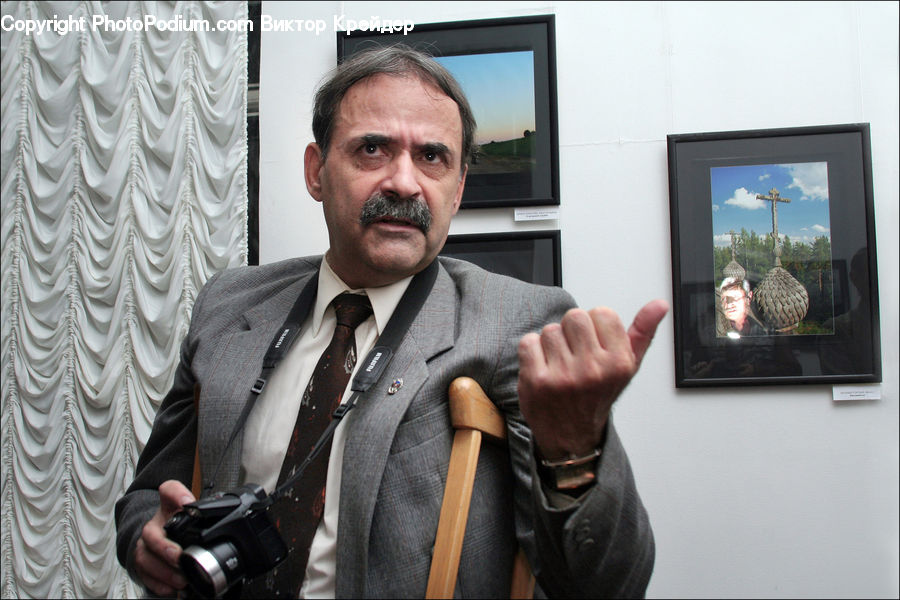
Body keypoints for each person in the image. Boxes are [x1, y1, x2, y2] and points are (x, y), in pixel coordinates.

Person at [115, 45, 669, 598]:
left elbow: (607, 586)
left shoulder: (518, 324)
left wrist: (575, 449)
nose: (405, 183)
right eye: (373, 149)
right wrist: (145, 538)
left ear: (457, 191)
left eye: (432, 157)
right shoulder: (229, 305)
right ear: (316, 171)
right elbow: (145, 495)